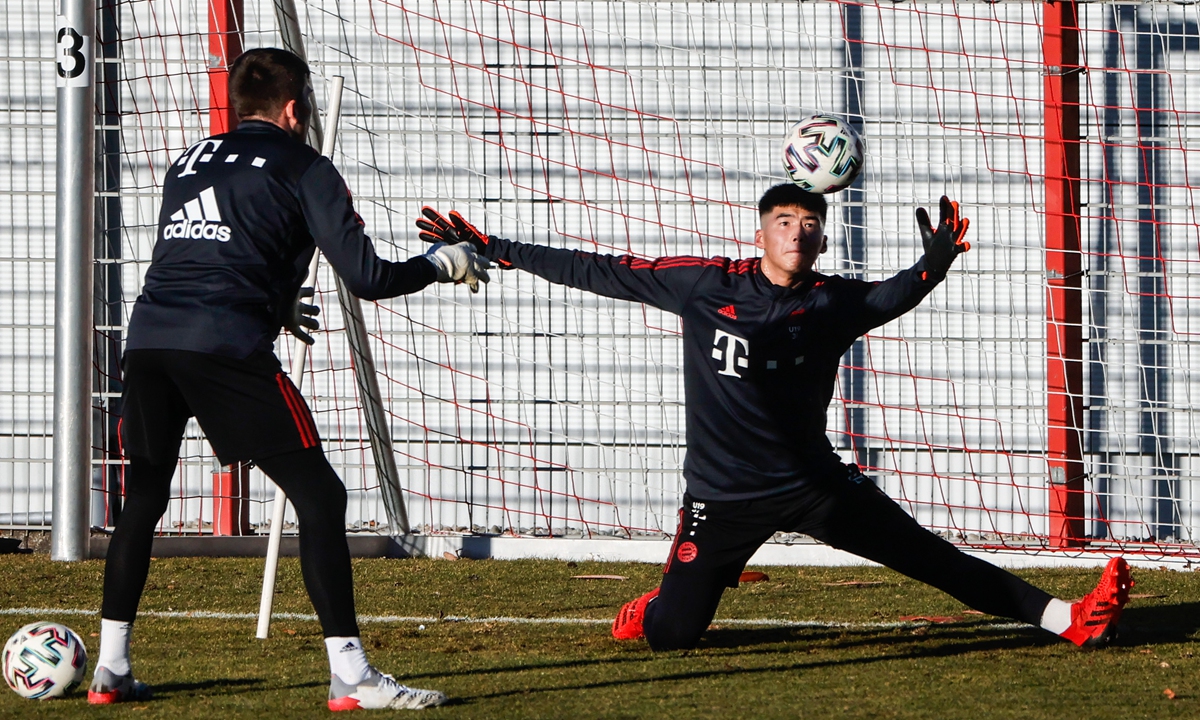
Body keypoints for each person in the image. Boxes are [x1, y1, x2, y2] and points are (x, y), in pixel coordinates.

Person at [416, 184, 1132, 652]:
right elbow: (599, 269)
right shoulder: (705, 285)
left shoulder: (830, 302)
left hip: (814, 486)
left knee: (930, 556)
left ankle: (1069, 619)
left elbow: (890, 296)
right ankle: (663, 601)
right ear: (762, 232)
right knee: (671, 637)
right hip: (722, 498)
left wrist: (932, 265)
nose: (798, 231)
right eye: (785, 222)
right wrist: (495, 249)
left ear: (821, 240)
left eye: (810, 223)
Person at [91, 48, 486, 710]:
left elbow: (203, 254)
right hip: (222, 344)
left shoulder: (186, 162)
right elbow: (368, 278)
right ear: (296, 108)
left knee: (144, 499)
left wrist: (273, 304)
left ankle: (110, 668)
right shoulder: (305, 166)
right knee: (321, 496)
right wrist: (439, 263)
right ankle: (351, 676)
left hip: (151, 339)